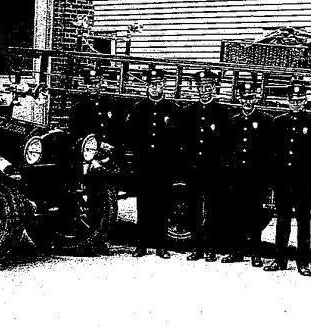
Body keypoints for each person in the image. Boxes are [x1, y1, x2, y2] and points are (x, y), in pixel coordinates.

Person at [266, 79, 311, 276]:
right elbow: (273, 154)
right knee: (282, 221)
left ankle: (303, 263)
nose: (296, 103)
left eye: (300, 99)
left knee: (303, 223)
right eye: (293, 99)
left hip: (303, 182)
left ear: (305, 100)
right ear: (287, 101)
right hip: (283, 181)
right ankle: (279, 260)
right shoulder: (278, 123)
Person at [125, 67, 179, 259]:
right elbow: (130, 137)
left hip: (164, 166)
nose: (154, 89)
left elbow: (177, 141)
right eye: (151, 85)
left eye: (158, 84)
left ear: (164, 85)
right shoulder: (138, 108)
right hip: (144, 165)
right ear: (146, 87)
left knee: (162, 206)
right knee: (144, 206)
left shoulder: (173, 110)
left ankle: (161, 246)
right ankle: (141, 245)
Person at [180, 69, 229, 262]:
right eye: (201, 87)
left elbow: (226, 144)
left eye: (208, 87)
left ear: (214, 88)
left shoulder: (223, 114)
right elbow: (184, 141)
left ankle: (211, 249)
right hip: (194, 169)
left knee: (213, 209)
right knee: (193, 208)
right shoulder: (189, 113)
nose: (204, 91)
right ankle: (197, 247)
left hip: (213, 169)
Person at [224, 80, 273, 266]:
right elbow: (227, 149)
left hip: (255, 176)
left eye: (251, 98)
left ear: (256, 98)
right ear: (239, 99)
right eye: (244, 98)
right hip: (237, 176)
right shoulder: (234, 121)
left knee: (255, 216)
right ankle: (236, 252)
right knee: (236, 214)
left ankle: (255, 254)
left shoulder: (265, 121)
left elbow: (269, 152)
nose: (247, 102)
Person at [68, 64, 124, 148]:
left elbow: (117, 127)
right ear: (86, 85)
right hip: (89, 149)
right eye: (90, 84)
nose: (93, 87)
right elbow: (75, 132)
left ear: (100, 84)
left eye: (96, 83)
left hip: (109, 148)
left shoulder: (110, 103)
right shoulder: (79, 107)